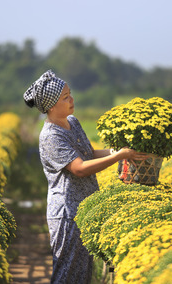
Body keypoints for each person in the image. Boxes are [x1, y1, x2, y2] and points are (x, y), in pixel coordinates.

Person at [23, 70, 148, 283]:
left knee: (81, 275)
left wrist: (119, 152)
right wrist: (119, 155)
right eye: (65, 97)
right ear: (51, 106)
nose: (72, 100)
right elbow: (79, 167)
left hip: (83, 209)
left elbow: (89, 154)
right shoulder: (51, 136)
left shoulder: (73, 122)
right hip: (67, 213)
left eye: (70, 94)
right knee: (67, 274)